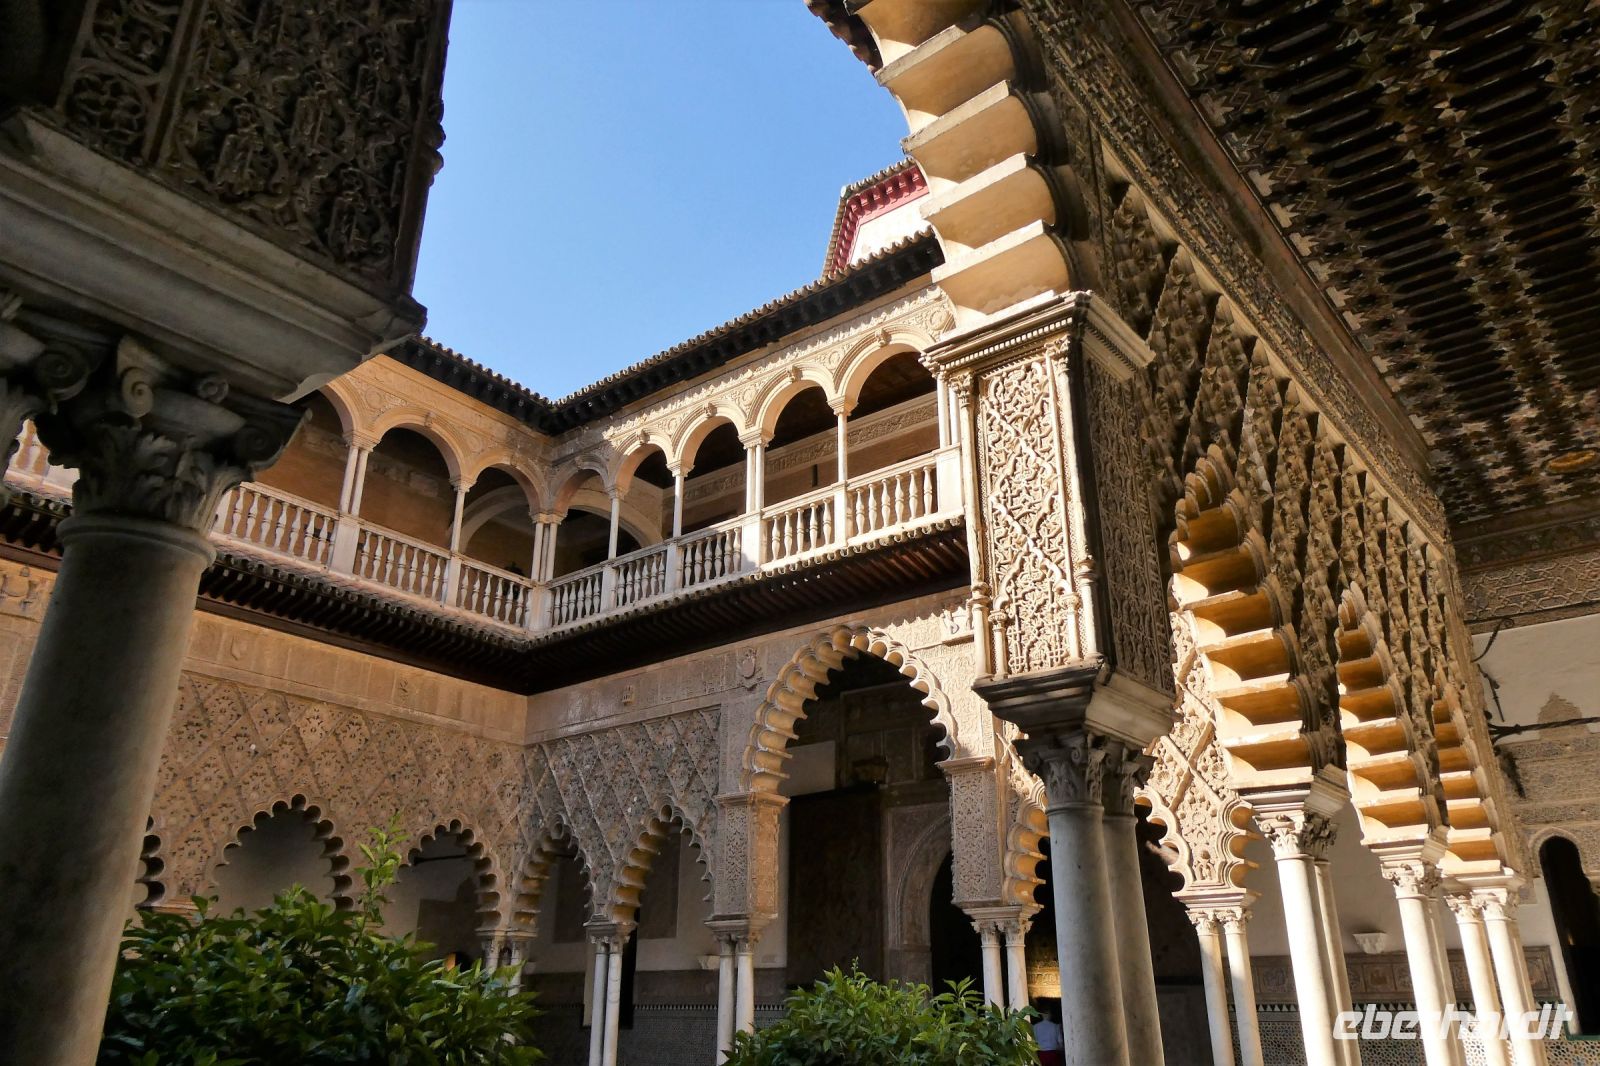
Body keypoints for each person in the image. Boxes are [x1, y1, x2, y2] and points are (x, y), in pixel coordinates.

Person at [1032, 1000, 1063, 1066]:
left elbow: (1033, 1042)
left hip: (1041, 1055)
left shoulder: (1035, 1027)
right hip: (1054, 1054)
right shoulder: (1056, 1026)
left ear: (1041, 1014)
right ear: (1050, 1014)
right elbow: (1060, 1043)